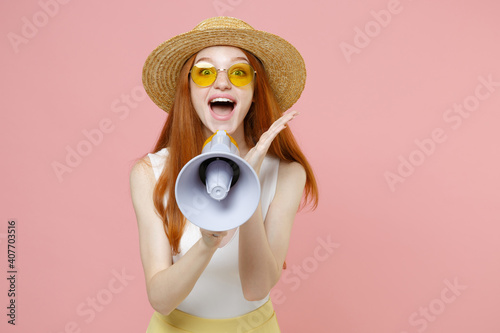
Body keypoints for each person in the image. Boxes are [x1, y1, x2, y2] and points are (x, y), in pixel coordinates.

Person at [130, 16, 319, 332]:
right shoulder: (149, 173)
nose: (221, 83)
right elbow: (161, 299)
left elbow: (256, 288)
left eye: (239, 72)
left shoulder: (287, 173)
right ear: (187, 90)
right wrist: (208, 241)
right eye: (204, 73)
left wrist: (250, 183)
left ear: (255, 90)